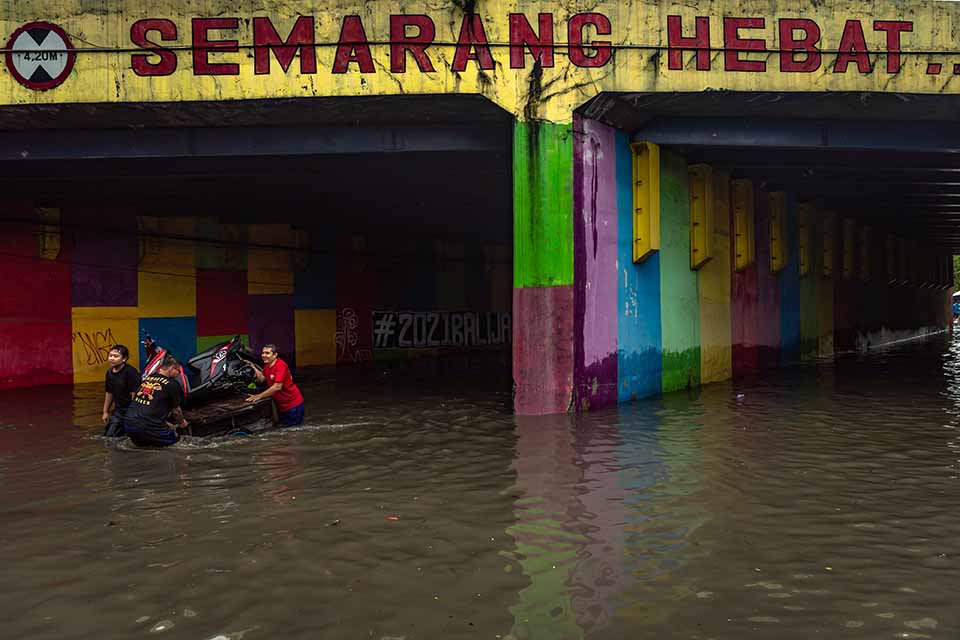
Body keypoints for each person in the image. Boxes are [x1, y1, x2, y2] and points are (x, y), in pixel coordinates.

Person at [124, 354, 188, 448]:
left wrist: (165, 423)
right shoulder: (172, 384)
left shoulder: (147, 379)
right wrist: (182, 423)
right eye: (178, 371)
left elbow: (143, 404)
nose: (178, 374)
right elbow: (176, 411)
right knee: (179, 444)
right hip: (148, 427)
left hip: (129, 425)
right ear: (171, 368)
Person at [246, 344, 305, 426]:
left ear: (275, 355)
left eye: (267, 353)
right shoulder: (267, 366)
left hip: (293, 405)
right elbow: (262, 379)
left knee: (293, 432)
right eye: (263, 353)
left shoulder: (281, 365)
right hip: (282, 406)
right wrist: (253, 367)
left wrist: (259, 396)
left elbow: (277, 387)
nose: (264, 355)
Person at [102, 344, 141, 437]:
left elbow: (135, 395)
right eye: (110, 355)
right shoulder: (109, 373)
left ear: (124, 359)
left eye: (116, 356)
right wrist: (105, 412)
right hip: (118, 411)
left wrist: (133, 415)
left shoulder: (131, 373)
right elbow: (109, 393)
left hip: (131, 411)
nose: (112, 358)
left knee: (114, 437)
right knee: (108, 436)